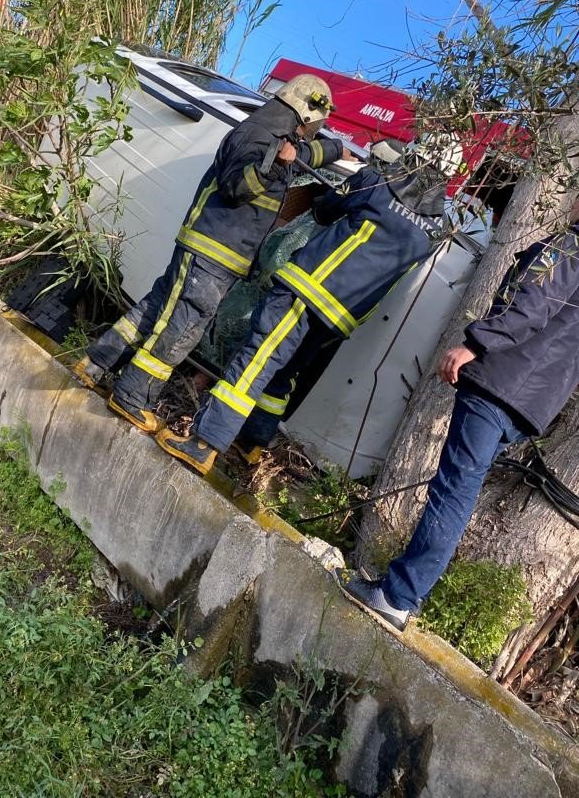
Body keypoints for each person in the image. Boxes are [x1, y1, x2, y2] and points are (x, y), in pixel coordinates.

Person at [156, 135, 463, 472]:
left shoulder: (376, 183)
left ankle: (204, 443)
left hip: (307, 289)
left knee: (254, 362)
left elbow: (324, 209)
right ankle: (251, 445)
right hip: (342, 318)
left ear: (416, 156)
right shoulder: (438, 228)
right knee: (283, 375)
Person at [340, 213, 579, 632]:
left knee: (454, 489)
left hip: (501, 382)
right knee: (459, 487)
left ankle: (398, 597)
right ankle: (401, 592)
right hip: (534, 402)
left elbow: (530, 306)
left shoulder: (569, 247)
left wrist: (475, 343)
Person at [72, 75, 349, 432]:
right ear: (305, 115)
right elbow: (236, 187)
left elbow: (301, 156)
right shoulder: (258, 137)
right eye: (315, 125)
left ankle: (95, 363)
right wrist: (278, 166)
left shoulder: (276, 139)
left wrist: (336, 150)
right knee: (182, 326)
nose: (312, 133)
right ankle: (132, 395)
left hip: (210, 251)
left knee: (156, 309)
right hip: (212, 254)